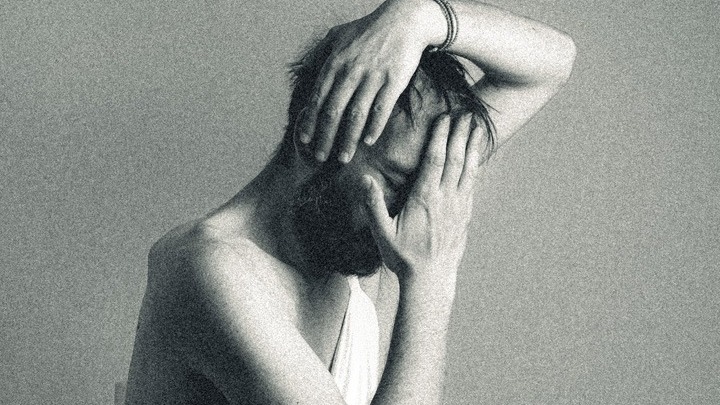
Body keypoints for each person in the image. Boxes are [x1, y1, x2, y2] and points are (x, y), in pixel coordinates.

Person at [125, 0, 576, 403]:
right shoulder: (211, 269)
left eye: (429, 182)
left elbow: (551, 65)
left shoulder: (354, 241)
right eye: (396, 180)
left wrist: (418, 16)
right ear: (315, 136)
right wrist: (432, 281)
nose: (422, 211)